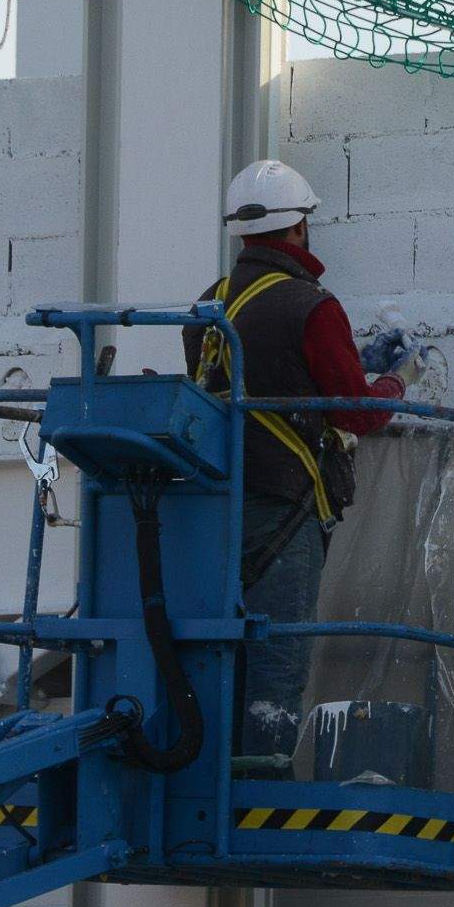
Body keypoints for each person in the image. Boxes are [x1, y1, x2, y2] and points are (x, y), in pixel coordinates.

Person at [184, 158, 407, 773]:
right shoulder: (311, 306)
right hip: (285, 506)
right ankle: (261, 782)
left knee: (220, 648)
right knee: (278, 654)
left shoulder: (209, 308)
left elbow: (255, 379)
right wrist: (393, 380)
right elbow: (358, 415)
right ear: (300, 228)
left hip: (217, 506)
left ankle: (216, 773)